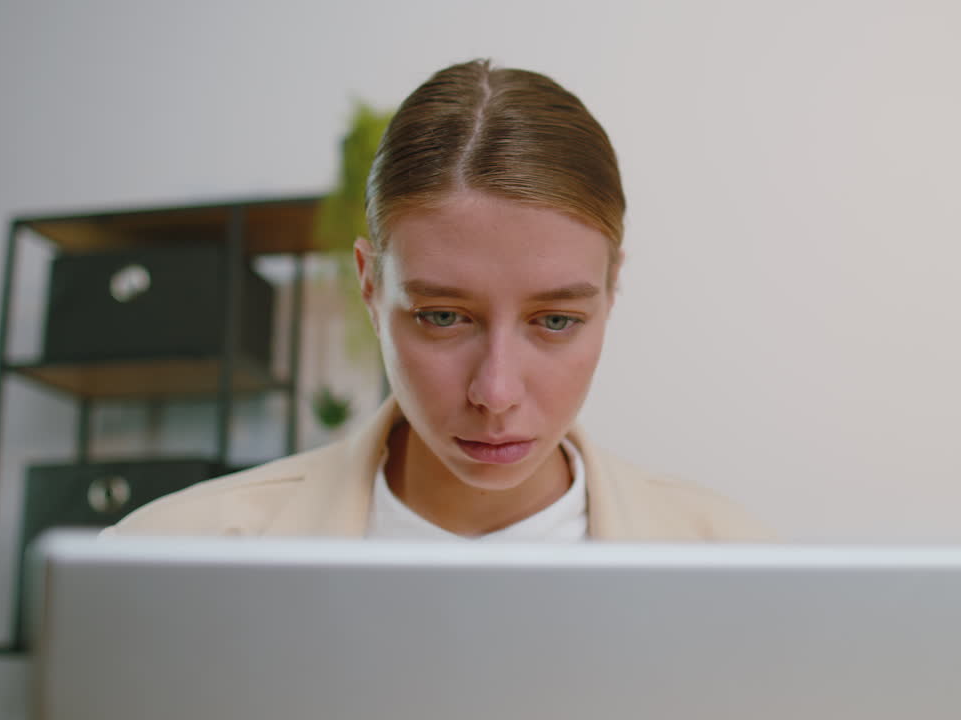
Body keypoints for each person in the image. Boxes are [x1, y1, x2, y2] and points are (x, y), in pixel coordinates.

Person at [107, 59, 770, 541]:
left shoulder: (736, 562)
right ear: (371, 284)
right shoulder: (169, 552)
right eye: (443, 317)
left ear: (612, 287)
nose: (497, 392)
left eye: (557, 321)